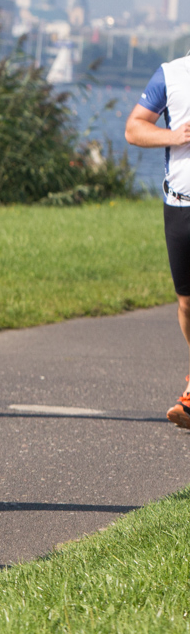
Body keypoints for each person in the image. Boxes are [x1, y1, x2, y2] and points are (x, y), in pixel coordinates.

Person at [124, 55, 190, 429]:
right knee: (187, 303)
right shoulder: (171, 74)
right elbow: (134, 128)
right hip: (181, 205)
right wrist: (174, 136)